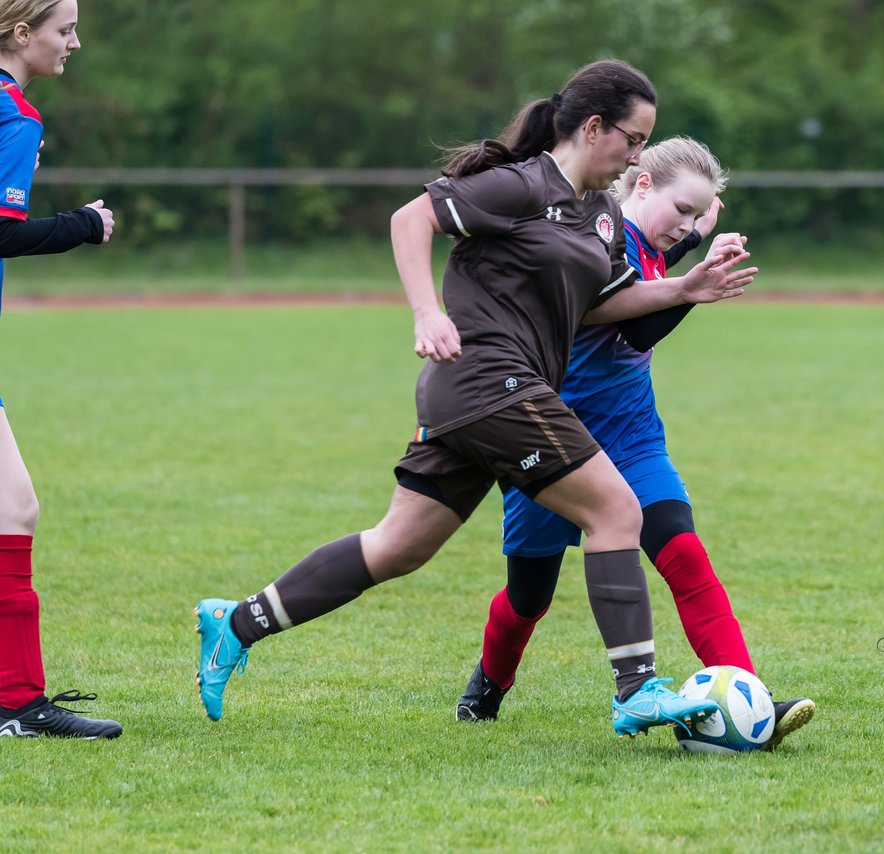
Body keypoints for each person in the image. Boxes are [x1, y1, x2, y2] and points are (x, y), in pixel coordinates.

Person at [193, 60, 759, 739]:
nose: (638, 155)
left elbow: (609, 306)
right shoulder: (523, 185)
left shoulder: (597, 216)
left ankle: (238, 622)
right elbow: (411, 218)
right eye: (633, 140)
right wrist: (426, 312)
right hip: (490, 381)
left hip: (479, 397)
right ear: (593, 126)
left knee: (398, 546)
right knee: (616, 508)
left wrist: (684, 288)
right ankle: (637, 689)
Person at [454, 137, 815, 749]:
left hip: (632, 435)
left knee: (685, 556)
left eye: (697, 215)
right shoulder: (595, 237)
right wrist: (695, 284)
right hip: (556, 438)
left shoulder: (660, 235)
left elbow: (674, 248)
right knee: (528, 596)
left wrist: (704, 236)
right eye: (682, 211)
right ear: (641, 184)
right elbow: (639, 320)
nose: (688, 227)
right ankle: (488, 682)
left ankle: (749, 699)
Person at [0, 0, 120, 739]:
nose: (75, 42)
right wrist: (84, 225)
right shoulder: (15, 116)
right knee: (13, 512)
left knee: (11, 511)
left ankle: (17, 698)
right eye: (64, 29)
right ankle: (18, 703)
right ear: (21, 34)